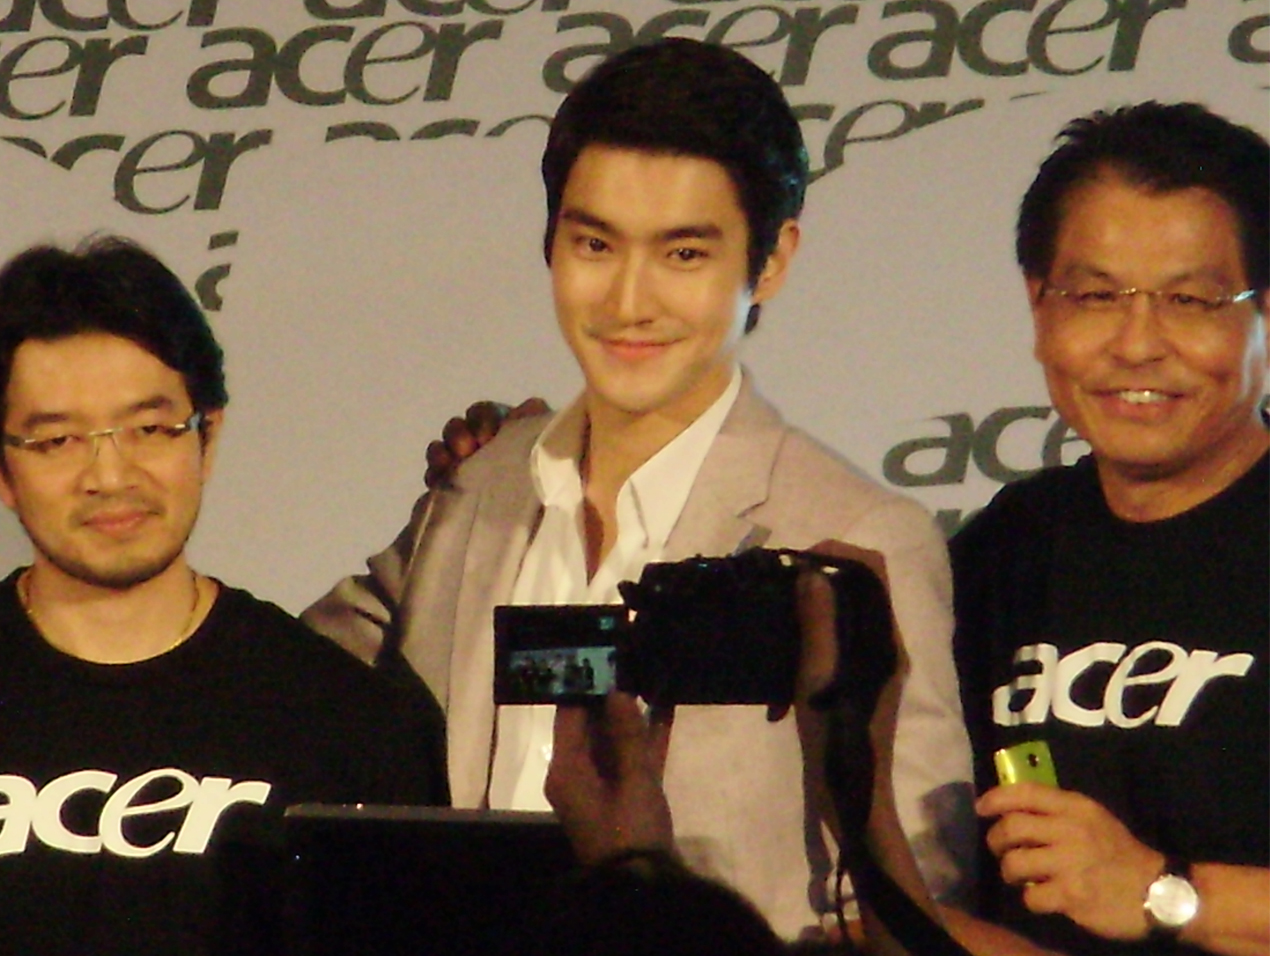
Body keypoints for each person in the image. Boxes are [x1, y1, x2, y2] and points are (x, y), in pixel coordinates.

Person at [303, 37, 973, 938]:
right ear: (549, 241)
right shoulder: (479, 487)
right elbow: (285, 685)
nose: (628, 301)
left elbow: (920, 905)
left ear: (771, 260)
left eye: (683, 254)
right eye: (594, 243)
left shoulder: (858, 536)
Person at [0, 236, 446, 955]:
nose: (110, 476)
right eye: (58, 441)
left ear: (207, 437)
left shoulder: (347, 719)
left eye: (150, 429)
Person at [949, 102, 1268, 956]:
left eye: (1190, 300)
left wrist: (1167, 894)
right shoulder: (1000, 553)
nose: (1136, 345)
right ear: (1039, 306)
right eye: (1095, 296)